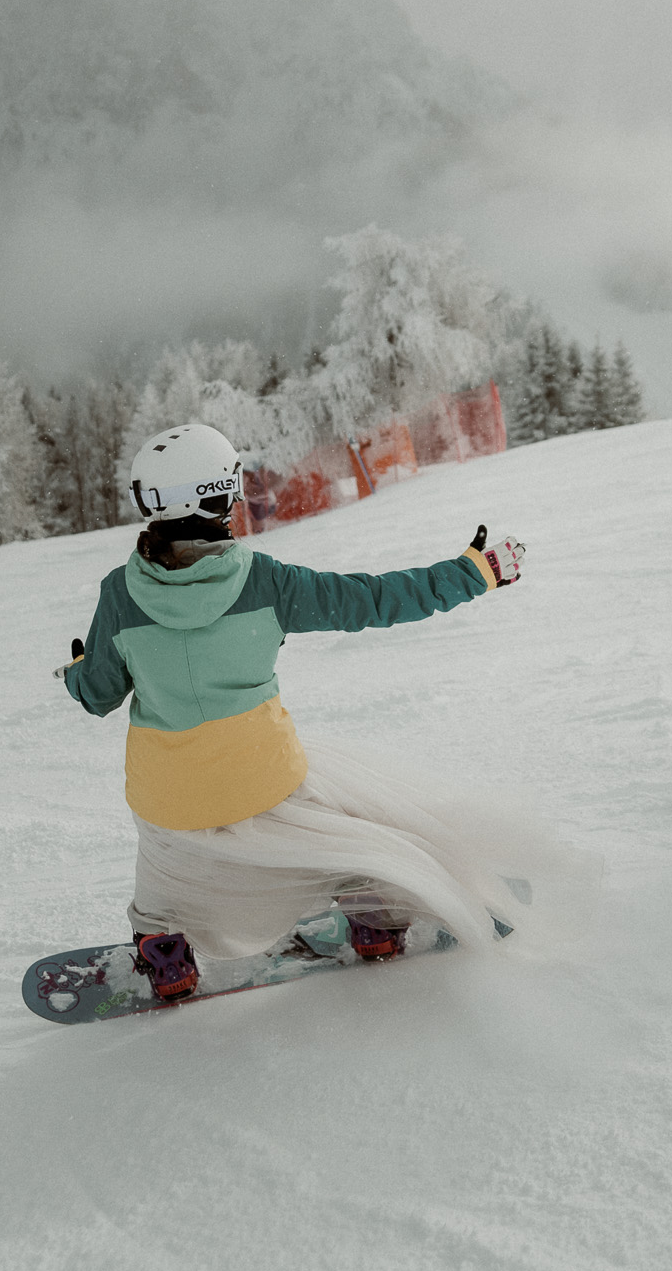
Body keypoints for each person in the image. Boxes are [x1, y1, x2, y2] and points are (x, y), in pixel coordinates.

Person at [61, 423, 529, 1001]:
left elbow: (98, 695)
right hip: (265, 779)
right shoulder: (266, 583)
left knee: (161, 864)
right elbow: (373, 599)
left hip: (169, 801)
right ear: (220, 497)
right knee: (341, 826)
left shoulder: (119, 596)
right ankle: (374, 919)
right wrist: (473, 571)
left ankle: (165, 955)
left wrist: (78, 671)